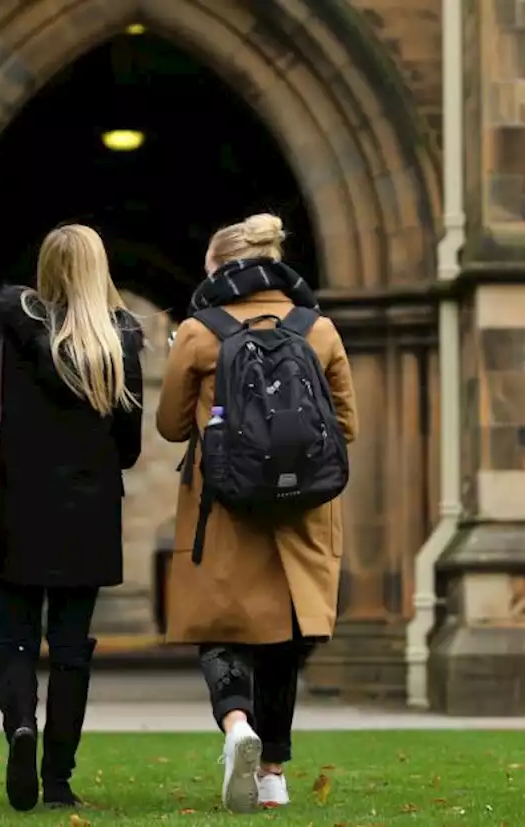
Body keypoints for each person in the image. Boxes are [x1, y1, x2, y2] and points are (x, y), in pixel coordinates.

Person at [155, 213, 358, 813]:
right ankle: (272, 772)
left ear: (218, 269)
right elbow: (346, 426)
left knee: (221, 627)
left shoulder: (199, 331)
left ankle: (236, 724)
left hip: (223, 503)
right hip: (302, 508)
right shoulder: (318, 329)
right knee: (283, 639)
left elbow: (170, 426)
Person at [0, 224, 144, 812]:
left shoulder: (9, 327)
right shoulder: (121, 341)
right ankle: (57, 779)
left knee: (15, 640)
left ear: (46, 267)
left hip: (17, 504)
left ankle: (20, 727)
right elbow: (128, 446)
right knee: (72, 649)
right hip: (89, 510)